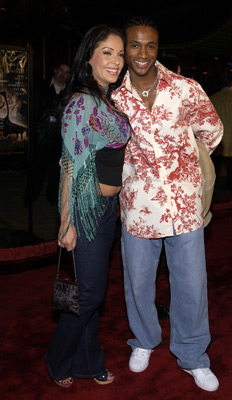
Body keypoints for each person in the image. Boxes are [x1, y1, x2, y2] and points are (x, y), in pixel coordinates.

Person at [112, 16, 223, 392]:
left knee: (191, 284)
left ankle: (192, 355)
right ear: (124, 47)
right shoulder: (113, 96)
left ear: (158, 49)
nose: (142, 53)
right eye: (134, 45)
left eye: (150, 46)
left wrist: (187, 166)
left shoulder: (185, 88)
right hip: (138, 205)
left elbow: (212, 128)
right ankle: (143, 340)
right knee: (139, 282)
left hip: (185, 205)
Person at [45, 25, 131, 388]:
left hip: (106, 211)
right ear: (89, 56)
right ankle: (56, 358)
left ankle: (88, 360)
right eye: (107, 52)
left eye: (120, 53)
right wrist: (67, 223)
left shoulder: (105, 98)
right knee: (92, 293)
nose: (116, 60)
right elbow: (69, 165)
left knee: (91, 293)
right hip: (87, 209)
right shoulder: (82, 101)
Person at [23, 63, 70, 206]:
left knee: (56, 172)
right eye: (61, 70)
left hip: (58, 138)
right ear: (55, 71)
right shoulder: (41, 88)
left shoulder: (69, 93)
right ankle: (29, 198)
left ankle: (53, 199)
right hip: (40, 136)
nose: (63, 74)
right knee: (37, 169)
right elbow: (32, 110)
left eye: (66, 72)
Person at [210, 70, 232, 201]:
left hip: (215, 144)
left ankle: (208, 204)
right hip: (230, 147)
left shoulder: (213, 97)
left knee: (211, 178)